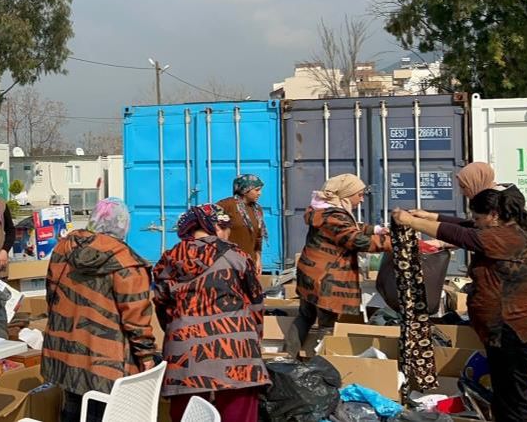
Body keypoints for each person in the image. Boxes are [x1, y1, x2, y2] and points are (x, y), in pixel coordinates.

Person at [393, 186, 527, 422]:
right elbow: (467, 227)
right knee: (505, 397)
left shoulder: (507, 238)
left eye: (478, 217)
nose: (475, 222)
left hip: (516, 330)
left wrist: (411, 222)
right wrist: (431, 216)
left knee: (513, 402)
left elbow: (463, 236)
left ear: (494, 214)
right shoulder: (511, 230)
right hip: (516, 329)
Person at [42, 197, 156, 422]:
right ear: (123, 224)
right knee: (101, 413)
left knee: (73, 409)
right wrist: (147, 355)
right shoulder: (126, 262)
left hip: (66, 351)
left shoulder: (64, 248)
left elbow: (51, 295)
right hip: (107, 359)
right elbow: (136, 318)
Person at [153, 204, 268, 422]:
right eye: (226, 227)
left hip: (185, 353)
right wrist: (255, 340)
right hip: (236, 350)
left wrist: (176, 333)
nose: (228, 233)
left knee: (188, 416)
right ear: (215, 227)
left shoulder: (169, 259)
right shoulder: (237, 256)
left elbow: (161, 306)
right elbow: (256, 303)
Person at [285, 173, 391, 357]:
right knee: (327, 324)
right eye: (359, 195)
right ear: (346, 195)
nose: (362, 199)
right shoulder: (334, 216)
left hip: (311, 272)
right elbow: (356, 240)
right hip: (327, 277)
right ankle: (321, 363)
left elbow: (350, 227)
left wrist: (375, 229)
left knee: (306, 316)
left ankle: (287, 357)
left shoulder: (324, 211)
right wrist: (393, 243)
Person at [216, 174, 267, 274]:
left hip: (249, 263)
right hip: (228, 264)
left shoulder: (257, 210)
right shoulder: (226, 205)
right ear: (245, 190)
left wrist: (258, 260)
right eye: (257, 190)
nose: (260, 193)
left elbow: (258, 237)